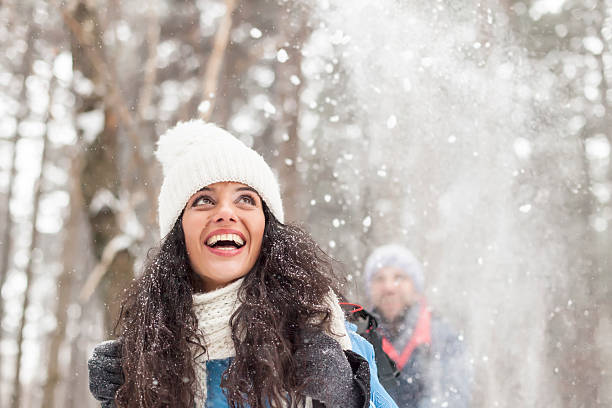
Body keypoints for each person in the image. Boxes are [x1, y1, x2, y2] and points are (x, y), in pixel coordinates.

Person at [87, 120, 399, 408]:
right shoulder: (149, 351)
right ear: (178, 232)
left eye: (246, 199)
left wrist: (348, 395)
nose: (225, 212)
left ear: (267, 229)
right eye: (204, 200)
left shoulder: (324, 332)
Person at [364, 244, 471, 408]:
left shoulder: (443, 338)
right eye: (379, 278)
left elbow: (454, 398)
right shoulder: (356, 337)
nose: (389, 287)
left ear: (415, 287)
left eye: (399, 277)